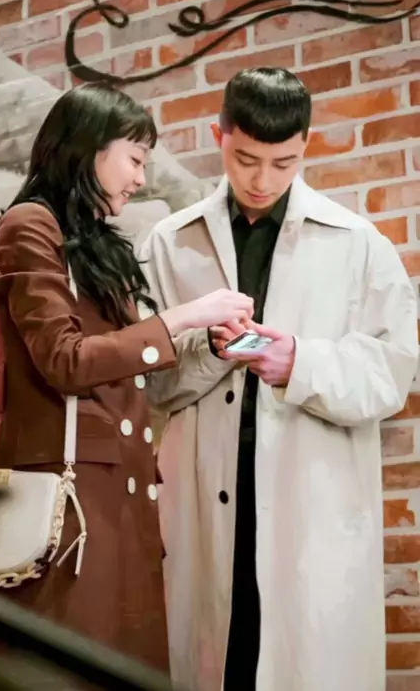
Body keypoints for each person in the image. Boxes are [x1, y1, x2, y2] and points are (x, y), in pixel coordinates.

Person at [139, 67, 419, 691]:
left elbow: (392, 373)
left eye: (283, 163)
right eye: (246, 159)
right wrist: (210, 351)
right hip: (204, 499)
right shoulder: (168, 244)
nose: (262, 180)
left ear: (305, 146)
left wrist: (301, 363)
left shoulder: (359, 244)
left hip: (309, 502)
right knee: (215, 665)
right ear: (220, 136)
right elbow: (146, 384)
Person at [0, 83, 254, 673]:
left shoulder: (98, 244)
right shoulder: (29, 225)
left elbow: (119, 360)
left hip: (119, 497)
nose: (140, 178)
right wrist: (184, 316)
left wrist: (206, 342)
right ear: (88, 148)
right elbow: (66, 360)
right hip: (69, 506)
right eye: (134, 158)